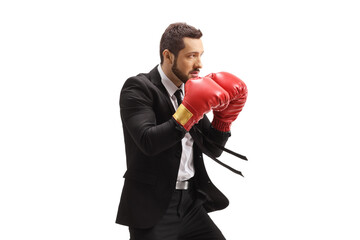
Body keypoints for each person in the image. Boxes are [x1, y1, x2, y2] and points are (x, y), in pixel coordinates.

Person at [115, 22, 247, 240]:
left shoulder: (190, 90)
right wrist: (188, 111)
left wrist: (224, 120)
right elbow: (148, 141)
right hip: (153, 207)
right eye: (191, 56)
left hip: (191, 204)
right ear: (168, 56)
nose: (199, 64)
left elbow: (212, 150)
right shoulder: (138, 88)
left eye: (200, 55)